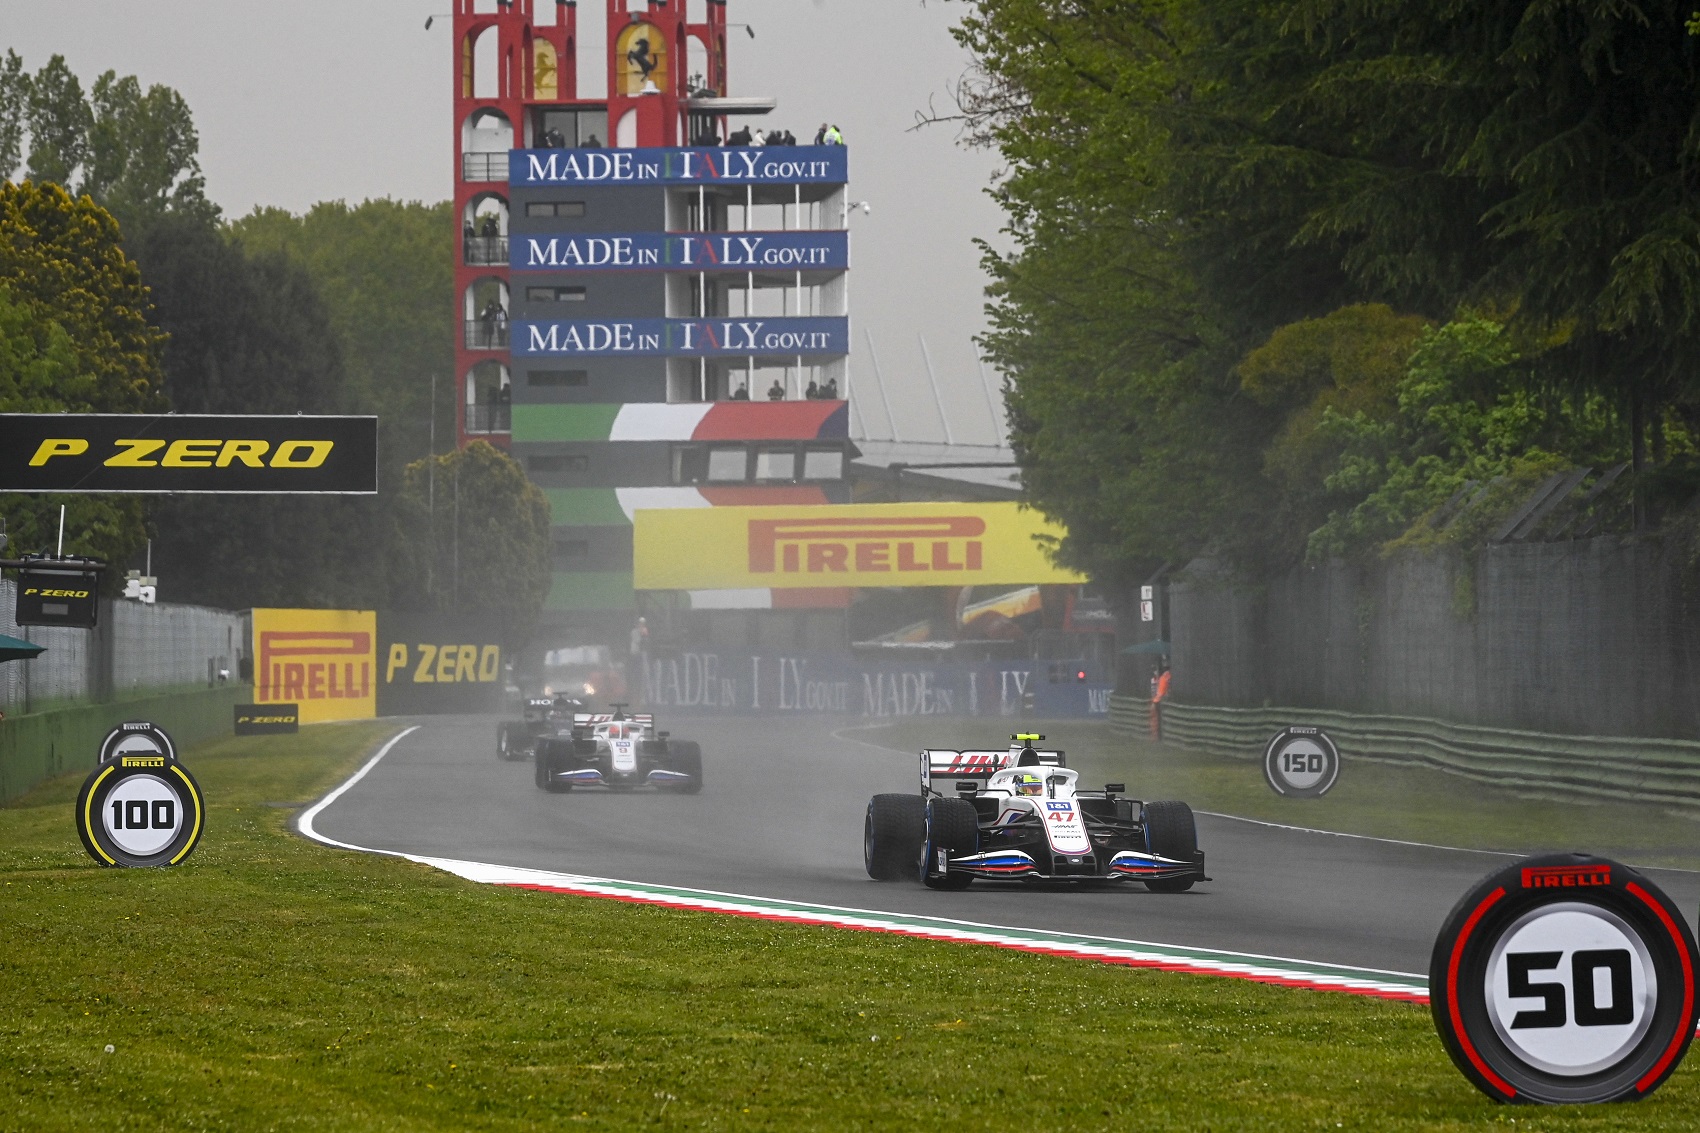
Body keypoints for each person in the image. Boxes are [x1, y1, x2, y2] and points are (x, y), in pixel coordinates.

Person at [1150, 661, 1171, 740]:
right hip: (1163, 700)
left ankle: (1157, 736)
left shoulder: (1161, 677)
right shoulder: (1169, 676)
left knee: (1157, 720)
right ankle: (1160, 736)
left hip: (1156, 700)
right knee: (1162, 720)